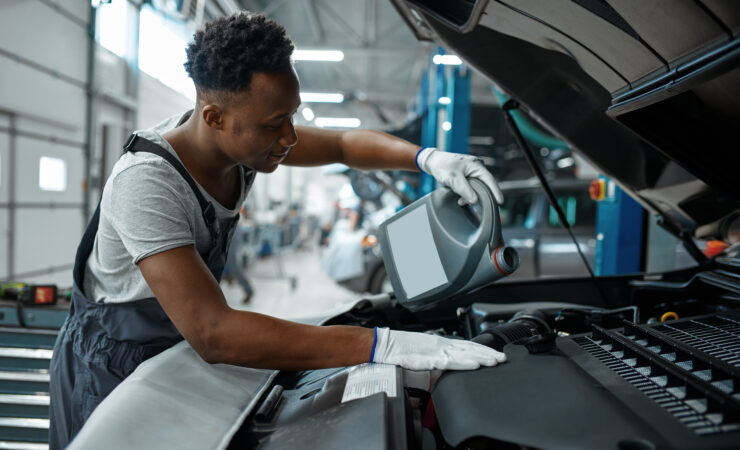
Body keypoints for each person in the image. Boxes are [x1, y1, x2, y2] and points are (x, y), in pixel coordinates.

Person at [48, 12, 506, 448]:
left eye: (292, 116)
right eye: (274, 125)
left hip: (172, 347)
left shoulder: (244, 146)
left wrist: (428, 159)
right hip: (109, 366)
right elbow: (214, 332)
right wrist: (381, 344)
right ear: (214, 117)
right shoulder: (147, 183)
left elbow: (345, 143)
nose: (289, 137)